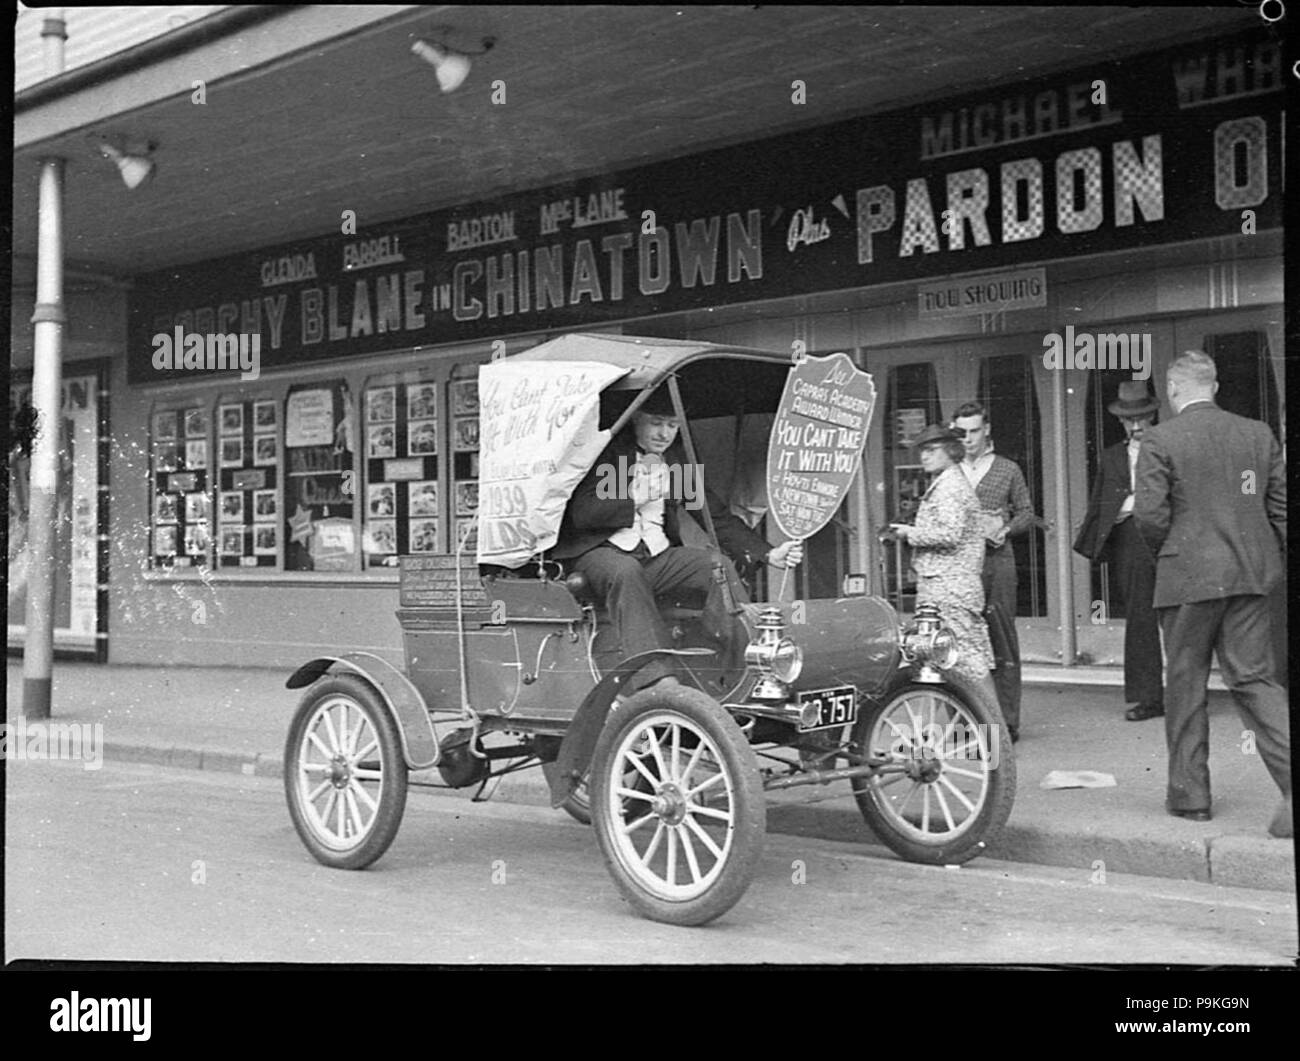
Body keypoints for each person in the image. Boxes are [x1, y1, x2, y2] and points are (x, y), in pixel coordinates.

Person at [1133, 351, 1290, 837]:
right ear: (1215, 386)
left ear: (1174, 389)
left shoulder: (1160, 438)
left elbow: (1149, 516)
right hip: (1249, 575)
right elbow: (1281, 508)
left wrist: (1175, 553)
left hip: (1188, 579)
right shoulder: (1258, 434)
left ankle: (1191, 797)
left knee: (1185, 684)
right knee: (1255, 680)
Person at [553, 387, 801, 692]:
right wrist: (634, 496)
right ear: (637, 420)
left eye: (672, 425)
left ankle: (746, 668)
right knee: (625, 572)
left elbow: (714, 515)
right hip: (602, 553)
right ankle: (658, 681)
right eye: (656, 422)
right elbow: (584, 514)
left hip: (657, 556)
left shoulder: (674, 461)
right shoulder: (609, 453)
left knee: (715, 565)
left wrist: (768, 553)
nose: (664, 433)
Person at [887, 425, 1003, 730]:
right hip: (944, 586)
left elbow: (948, 534)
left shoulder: (950, 486)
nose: (924, 456)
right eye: (922, 450)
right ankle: (976, 740)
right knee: (949, 661)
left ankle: (993, 743)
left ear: (951, 451)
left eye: (932, 450)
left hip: (952, 588)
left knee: (970, 664)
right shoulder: (946, 483)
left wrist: (909, 532)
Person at [1072, 381, 1164, 721]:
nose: (1137, 427)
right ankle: (1148, 698)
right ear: (1121, 422)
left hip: (1170, 540)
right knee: (1140, 619)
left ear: (1153, 415)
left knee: (1183, 620)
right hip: (1131, 542)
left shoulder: (1171, 447)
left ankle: (1188, 694)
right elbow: (1101, 502)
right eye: (1129, 421)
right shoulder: (1111, 456)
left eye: (1142, 419)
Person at [950, 401, 1035, 740]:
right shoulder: (950, 471)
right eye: (961, 433)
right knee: (957, 642)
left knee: (1001, 637)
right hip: (958, 565)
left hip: (996, 562)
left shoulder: (1007, 469)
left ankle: (1007, 721)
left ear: (986, 430)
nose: (968, 439)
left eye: (973, 431)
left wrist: (1005, 528)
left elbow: (1027, 513)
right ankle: (962, 721)